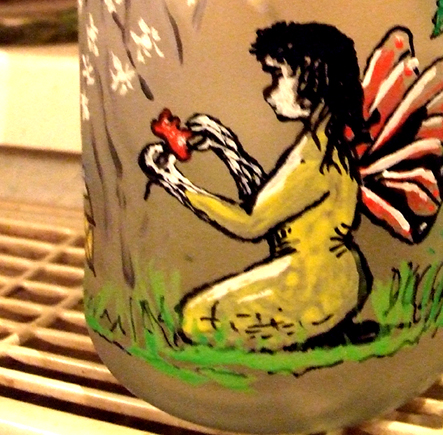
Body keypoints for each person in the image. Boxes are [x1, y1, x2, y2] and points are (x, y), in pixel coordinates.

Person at [139, 21, 373, 352]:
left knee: (196, 318)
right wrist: (227, 148)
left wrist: (174, 181)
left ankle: (314, 331)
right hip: (339, 275)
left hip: (312, 284)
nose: (269, 91)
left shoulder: (315, 159)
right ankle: (325, 328)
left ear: (312, 78)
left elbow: (250, 223)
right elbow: (272, 204)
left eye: (278, 76)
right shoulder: (321, 143)